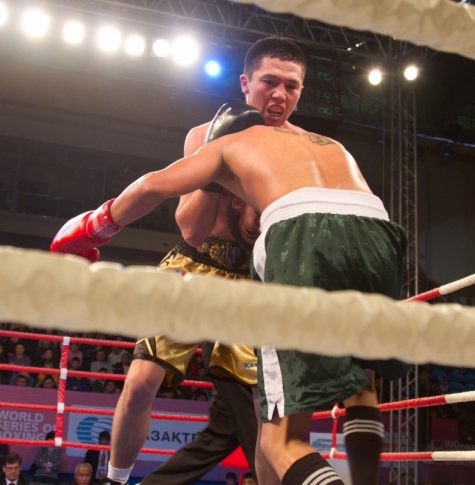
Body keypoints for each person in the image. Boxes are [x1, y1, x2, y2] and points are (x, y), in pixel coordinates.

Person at [51, 100, 410, 485]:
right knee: (362, 386)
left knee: (279, 438)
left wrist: (94, 227)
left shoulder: (229, 145)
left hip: (298, 243)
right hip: (377, 232)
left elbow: (151, 185)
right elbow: (191, 231)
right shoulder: (323, 143)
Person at [58, 37, 307, 485]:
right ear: (246, 82)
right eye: (270, 82)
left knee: (262, 412)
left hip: (253, 281)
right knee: (138, 385)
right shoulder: (203, 134)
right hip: (194, 264)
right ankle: (115, 481)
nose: (280, 95)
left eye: (292, 87)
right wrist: (219, 152)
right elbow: (191, 229)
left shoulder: (302, 151)